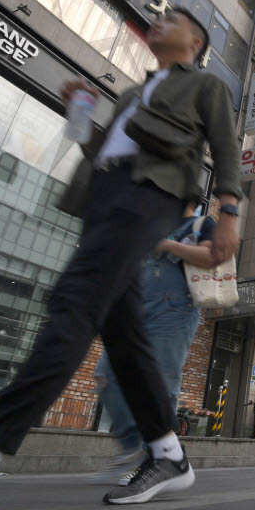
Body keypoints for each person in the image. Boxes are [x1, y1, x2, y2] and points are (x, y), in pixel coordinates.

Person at [0, 8, 241, 510]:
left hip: (150, 198)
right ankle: (168, 456)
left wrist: (228, 212)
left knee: (73, 306)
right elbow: (100, 149)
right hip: (105, 198)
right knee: (124, 336)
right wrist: (77, 112)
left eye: (172, 20)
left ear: (194, 40)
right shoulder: (135, 92)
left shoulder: (205, 84)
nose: (158, 22)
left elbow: (227, 145)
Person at [90, 201, 218, 484]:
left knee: (162, 384)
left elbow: (211, 257)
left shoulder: (202, 225)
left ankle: (157, 458)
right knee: (106, 374)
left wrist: (169, 246)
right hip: (137, 310)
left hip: (175, 312)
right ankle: (131, 444)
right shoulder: (151, 228)